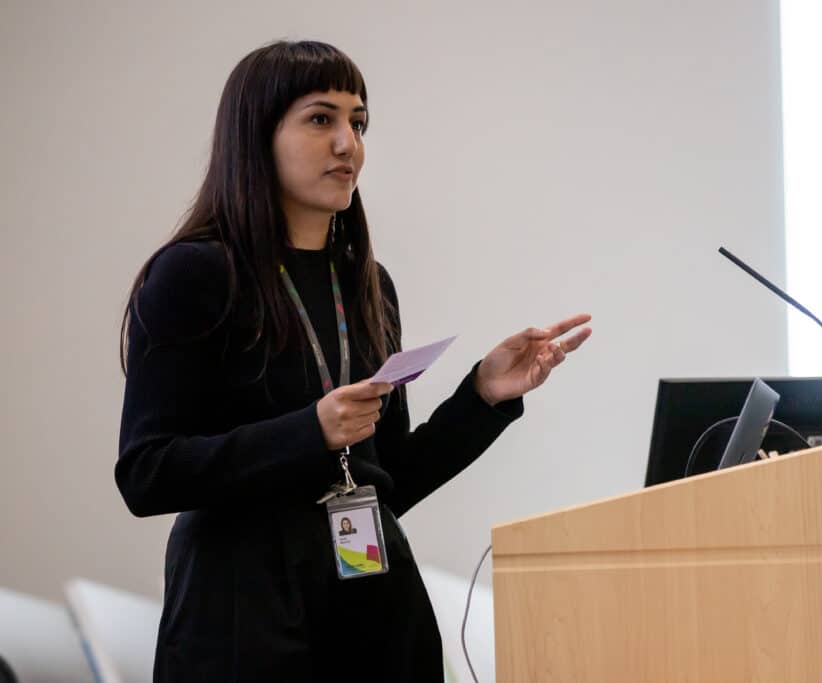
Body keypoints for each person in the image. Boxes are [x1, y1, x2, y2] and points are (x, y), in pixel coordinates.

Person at [115, 40, 591, 682]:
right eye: (321, 119)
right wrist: (307, 431)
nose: (349, 144)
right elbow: (147, 474)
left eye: (357, 122)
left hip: (371, 605)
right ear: (257, 136)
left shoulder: (368, 284)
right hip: (243, 615)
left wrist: (482, 398)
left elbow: (386, 477)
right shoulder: (195, 274)